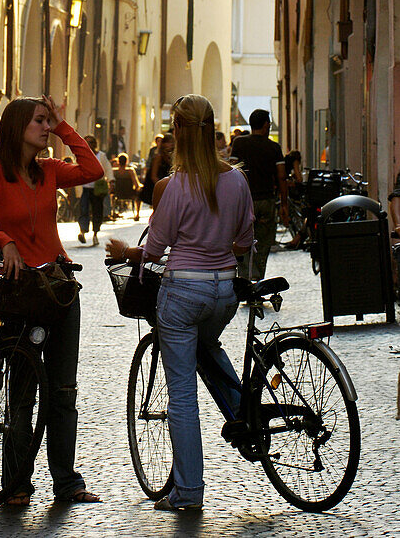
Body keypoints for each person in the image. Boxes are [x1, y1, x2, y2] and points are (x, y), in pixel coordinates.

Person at [106, 93, 254, 512]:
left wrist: (124, 253)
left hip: (183, 292)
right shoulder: (237, 180)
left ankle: (188, 491)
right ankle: (246, 417)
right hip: (225, 291)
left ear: (177, 134)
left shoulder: (172, 187)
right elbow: (244, 242)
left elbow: (153, 251)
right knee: (208, 345)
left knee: (183, 396)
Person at [0, 96, 102, 506]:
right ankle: (16, 482)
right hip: (20, 291)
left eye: (46, 121)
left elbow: (93, 169)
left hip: (58, 288)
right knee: (22, 391)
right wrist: (3, 240)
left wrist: (63, 127)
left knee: (62, 390)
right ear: (18, 125)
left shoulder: (50, 171)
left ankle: (67, 481)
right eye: (39, 121)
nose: (45, 126)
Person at [229, 108, 287, 280]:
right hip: (266, 201)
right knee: (263, 242)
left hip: (244, 201)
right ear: (266, 125)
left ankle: (245, 278)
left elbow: (231, 171)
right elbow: (281, 177)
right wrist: (284, 204)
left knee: (242, 239)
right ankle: (257, 278)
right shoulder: (274, 147)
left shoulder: (239, 143)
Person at [77, 135, 111, 246]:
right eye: (86, 142)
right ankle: (82, 232)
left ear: (94, 144)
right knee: (83, 210)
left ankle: (95, 234)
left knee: (97, 211)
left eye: (91, 142)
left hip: (97, 189)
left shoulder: (101, 156)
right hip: (85, 188)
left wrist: (111, 180)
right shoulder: (81, 156)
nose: (89, 145)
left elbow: (108, 169)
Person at [139, 133, 174, 213]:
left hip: (169, 187)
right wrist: (162, 187)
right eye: (168, 142)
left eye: (172, 142)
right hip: (161, 186)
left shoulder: (173, 157)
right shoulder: (158, 157)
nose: (170, 145)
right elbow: (153, 176)